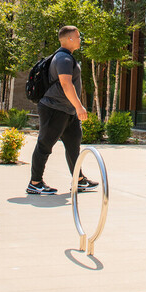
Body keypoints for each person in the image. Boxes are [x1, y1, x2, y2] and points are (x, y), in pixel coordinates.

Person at [27, 25, 96, 196]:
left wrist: (74, 108)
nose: (80, 39)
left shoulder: (66, 57)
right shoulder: (63, 58)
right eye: (78, 36)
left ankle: (79, 180)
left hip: (66, 110)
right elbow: (66, 84)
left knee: (73, 145)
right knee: (45, 144)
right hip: (54, 108)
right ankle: (35, 183)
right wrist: (79, 106)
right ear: (69, 39)